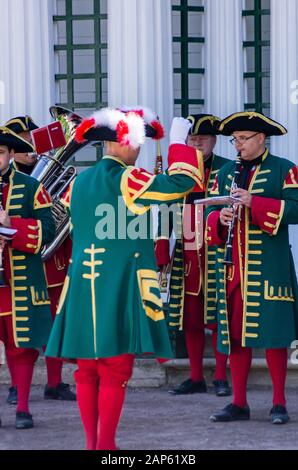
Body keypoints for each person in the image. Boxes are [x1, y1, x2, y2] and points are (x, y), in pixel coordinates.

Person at [46, 108, 205, 450]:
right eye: (139, 142)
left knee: (86, 372)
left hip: (82, 282)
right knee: (115, 371)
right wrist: (178, 143)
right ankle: (106, 447)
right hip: (116, 284)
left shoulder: (78, 182)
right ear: (126, 143)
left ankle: (92, 445)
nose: (140, 149)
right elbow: (181, 184)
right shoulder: (127, 178)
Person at [205, 111, 298, 424]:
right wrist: (220, 219)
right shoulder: (225, 172)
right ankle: (239, 403)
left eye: (243, 139)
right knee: (234, 335)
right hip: (232, 269)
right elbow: (209, 216)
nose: (238, 145)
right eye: (235, 140)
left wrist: (253, 203)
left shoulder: (285, 169)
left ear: (261, 138)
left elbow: (296, 209)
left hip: (268, 267)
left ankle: (279, 403)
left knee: (274, 335)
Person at [155, 114, 230, 396]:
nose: (197, 145)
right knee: (190, 317)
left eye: (202, 140)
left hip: (218, 251)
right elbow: (165, 206)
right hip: (187, 252)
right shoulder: (180, 170)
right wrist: (162, 242)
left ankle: (221, 376)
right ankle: (197, 376)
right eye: (192, 140)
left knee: (221, 315)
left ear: (213, 141)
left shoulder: (228, 168)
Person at [4, 116, 76, 404]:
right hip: (15, 264)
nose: (29, 147)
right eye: (22, 141)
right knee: (17, 332)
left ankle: (55, 382)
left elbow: (60, 217)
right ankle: (16, 386)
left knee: (54, 323)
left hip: (52, 261)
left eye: (31, 140)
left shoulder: (47, 175)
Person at [0, 126, 55, 428]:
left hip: (19, 282)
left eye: (0, 152)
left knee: (21, 347)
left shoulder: (32, 187)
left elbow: (48, 229)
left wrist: (12, 227)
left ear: (10, 155)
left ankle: (23, 408)